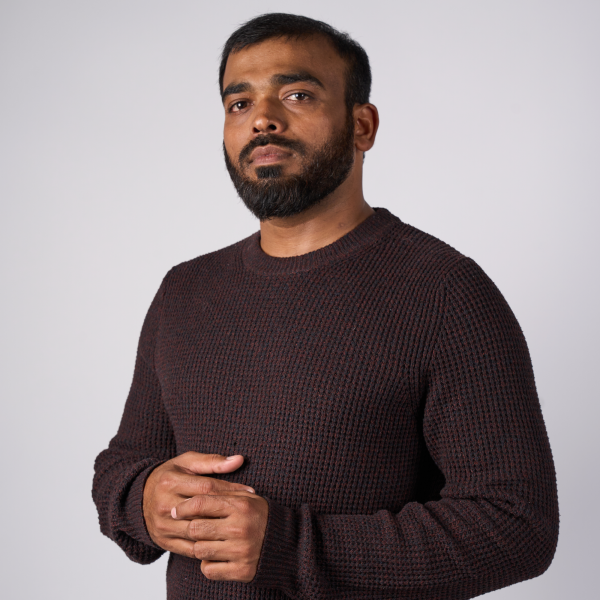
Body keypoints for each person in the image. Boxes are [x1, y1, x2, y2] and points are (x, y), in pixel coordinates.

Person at [92, 13, 559, 600]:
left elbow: (517, 527)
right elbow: (124, 464)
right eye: (239, 103)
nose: (262, 118)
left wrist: (288, 548)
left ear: (362, 126)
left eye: (297, 94)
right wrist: (142, 498)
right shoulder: (185, 291)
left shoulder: (444, 291)